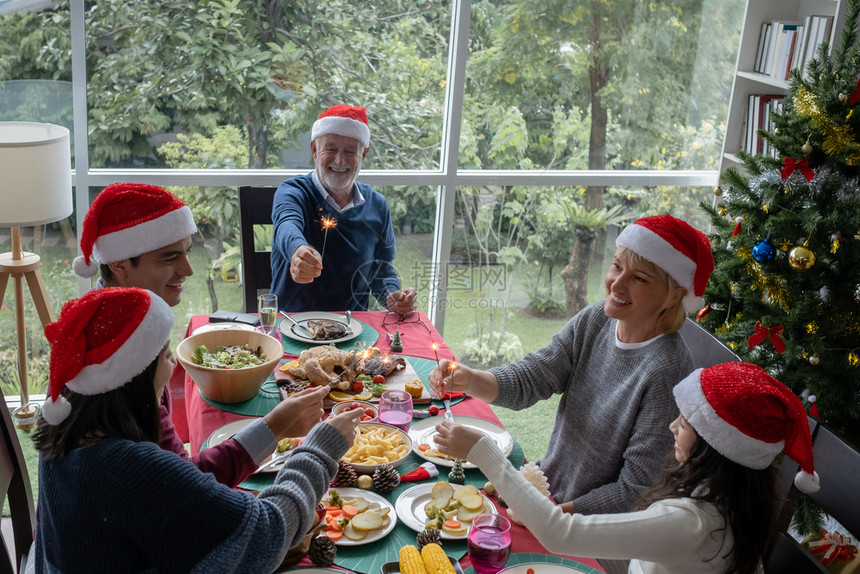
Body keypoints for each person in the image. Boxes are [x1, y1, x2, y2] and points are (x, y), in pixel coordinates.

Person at [31, 287, 362, 574]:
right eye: (163, 356)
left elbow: (180, 484)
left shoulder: (69, 425)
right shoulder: (131, 470)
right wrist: (319, 450)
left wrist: (273, 427)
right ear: (132, 378)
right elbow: (265, 535)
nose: (173, 365)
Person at [429, 214, 715, 515]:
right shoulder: (596, 320)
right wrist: (470, 378)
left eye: (640, 278)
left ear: (675, 295)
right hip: (546, 495)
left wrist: (548, 517)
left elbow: (635, 492)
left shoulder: (666, 370)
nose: (616, 284)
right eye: (617, 266)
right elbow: (534, 377)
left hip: (588, 530)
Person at [434, 361, 820, 574]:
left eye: (684, 423)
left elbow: (560, 533)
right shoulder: (732, 501)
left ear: (717, 447)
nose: (672, 425)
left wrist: (484, 452)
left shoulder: (693, 524)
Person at [72, 182, 320, 488]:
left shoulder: (116, 322)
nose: (188, 270)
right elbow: (186, 484)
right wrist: (276, 427)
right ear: (119, 264)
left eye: (186, 253)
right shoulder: (118, 364)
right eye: (169, 257)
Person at [270, 104, 416, 313]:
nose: (340, 160)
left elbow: (381, 271)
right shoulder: (293, 192)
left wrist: (393, 296)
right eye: (330, 149)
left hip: (354, 331)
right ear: (314, 150)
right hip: (292, 324)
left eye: (350, 151)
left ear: (363, 154)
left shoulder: (377, 205)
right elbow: (287, 224)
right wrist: (297, 250)